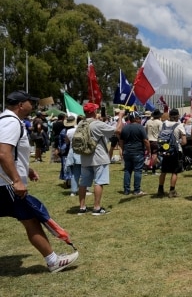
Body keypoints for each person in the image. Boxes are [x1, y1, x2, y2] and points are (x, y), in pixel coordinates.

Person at [0, 90, 79, 272]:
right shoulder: (11, 122)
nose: (34, 105)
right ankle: (53, 261)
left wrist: (26, 169)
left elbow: (11, 154)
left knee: (30, 218)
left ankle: (52, 260)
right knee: (32, 218)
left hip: (5, 182)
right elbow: (3, 153)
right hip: (7, 184)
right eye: (30, 102)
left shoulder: (7, 121)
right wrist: (17, 180)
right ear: (21, 105)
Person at [78, 103, 124, 215]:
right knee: (99, 182)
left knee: (83, 182)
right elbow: (117, 130)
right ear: (93, 112)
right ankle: (97, 207)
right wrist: (121, 117)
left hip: (84, 156)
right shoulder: (97, 124)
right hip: (98, 157)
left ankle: (82, 207)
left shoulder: (81, 123)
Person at [156, 108, 187, 198]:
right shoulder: (179, 125)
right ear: (177, 116)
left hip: (165, 150)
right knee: (174, 171)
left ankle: (160, 189)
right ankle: (172, 191)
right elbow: (184, 142)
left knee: (164, 171)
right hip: (176, 152)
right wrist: (177, 144)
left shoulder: (163, 124)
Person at [119, 112, 150, 196]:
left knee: (127, 170)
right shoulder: (140, 128)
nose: (140, 119)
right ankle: (137, 190)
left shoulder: (124, 128)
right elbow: (145, 141)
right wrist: (149, 151)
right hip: (138, 151)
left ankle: (126, 190)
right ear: (136, 118)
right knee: (137, 170)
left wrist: (121, 150)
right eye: (139, 118)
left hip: (127, 152)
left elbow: (121, 141)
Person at [65, 116, 83, 197]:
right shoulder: (83, 130)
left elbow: (66, 142)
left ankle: (73, 191)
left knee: (74, 173)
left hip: (73, 151)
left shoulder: (69, 131)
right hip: (82, 152)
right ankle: (85, 189)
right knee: (84, 173)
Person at [144, 109, 163, 175]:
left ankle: (146, 170)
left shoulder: (148, 121)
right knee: (154, 155)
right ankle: (153, 171)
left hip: (148, 140)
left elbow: (145, 130)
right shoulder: (159, 122)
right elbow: (161, 132)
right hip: (155, 140)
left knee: (148, 155)